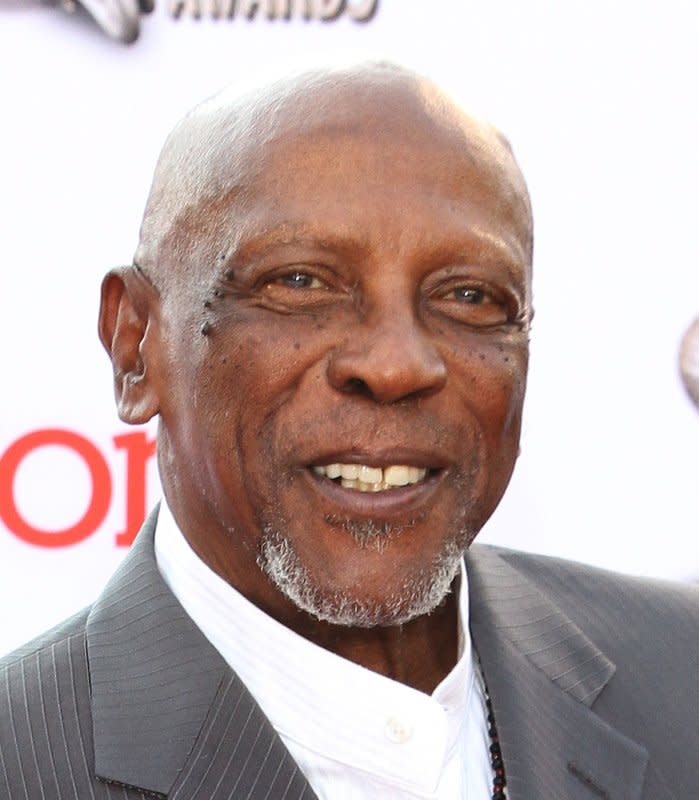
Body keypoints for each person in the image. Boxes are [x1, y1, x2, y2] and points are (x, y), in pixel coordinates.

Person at [1, 63, 697, 800]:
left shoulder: (681, 672)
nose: (396, 364)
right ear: (136, 348)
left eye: (467, 295)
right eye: (299, 282)